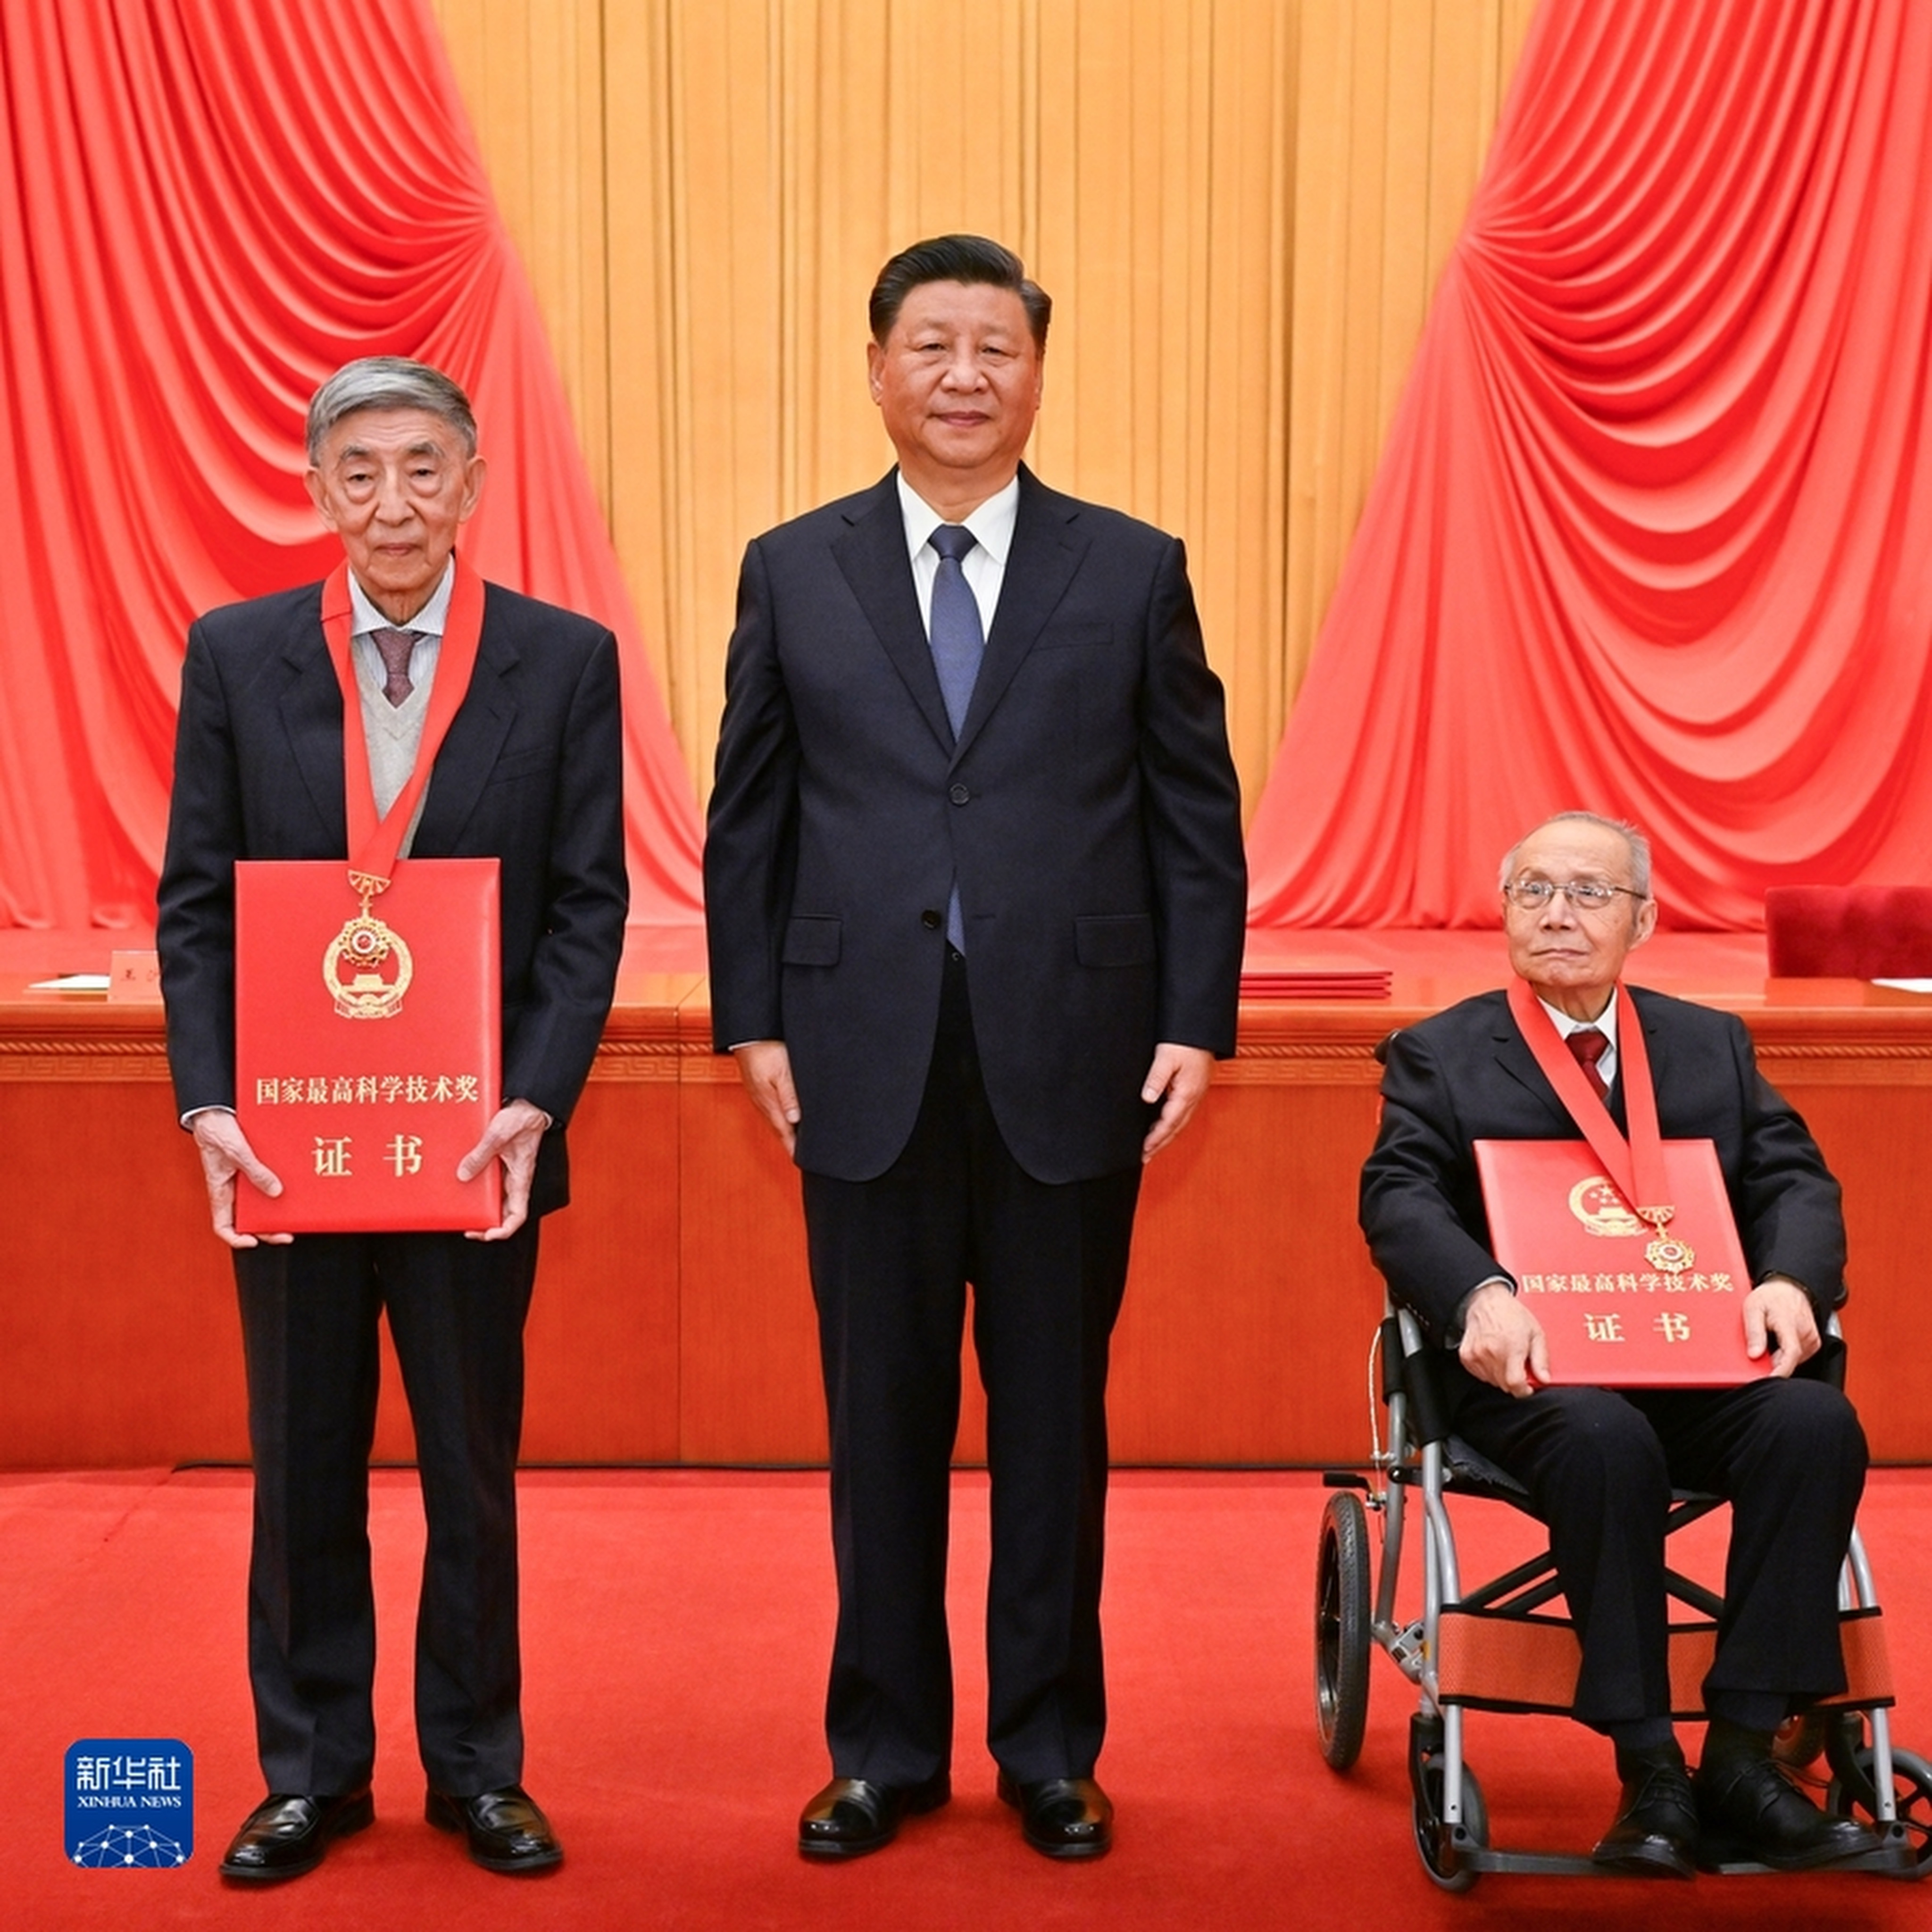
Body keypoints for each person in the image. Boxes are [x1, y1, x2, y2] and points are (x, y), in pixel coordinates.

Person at [704, 235, 1246, 1861]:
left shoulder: (1129, 565)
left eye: (992, 347)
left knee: (1050, 1420)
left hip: (1071, 1050)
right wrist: (750, 1014)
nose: (961, 375)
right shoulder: (792, 567)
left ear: (1033, 371)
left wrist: (1191, 1019)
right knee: (876, 1422)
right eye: (929, 345)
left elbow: (1192, 817)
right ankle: (879, 1743)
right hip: (854, 1047)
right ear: (876, 368)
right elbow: (748, 815)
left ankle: (1048, 1742)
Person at [157, 357, 627, 1882]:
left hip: (470, 1150)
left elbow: (584, 910)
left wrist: (533, 1102)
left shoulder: (559, 663)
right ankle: (311, 1769)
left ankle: (479, 1768)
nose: (393, 501)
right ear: (316, 489)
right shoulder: (236, 655)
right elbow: (196, 906)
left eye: (423, 467)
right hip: (290, 1145)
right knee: (299, 1464)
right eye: (359, 471)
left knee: (468, 1466)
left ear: (473, 482)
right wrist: (212, 1101)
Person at [1360, 810, 1878, 1878]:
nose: (1557, 913)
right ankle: (1647, 1764)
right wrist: (1479, 1294)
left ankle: (1739, 1752)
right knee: (1605, 1438)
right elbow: (1398, 1194)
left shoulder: (1705, 1042)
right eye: (1532, 890)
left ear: (1641, 919)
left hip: (1694, 1365)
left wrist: (1786, 1277)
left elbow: (1793, 1181)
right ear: (1503, 910)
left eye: (1589, 892)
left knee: (1812, 1422)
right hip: (1537, 1380)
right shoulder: (1441, 1051)